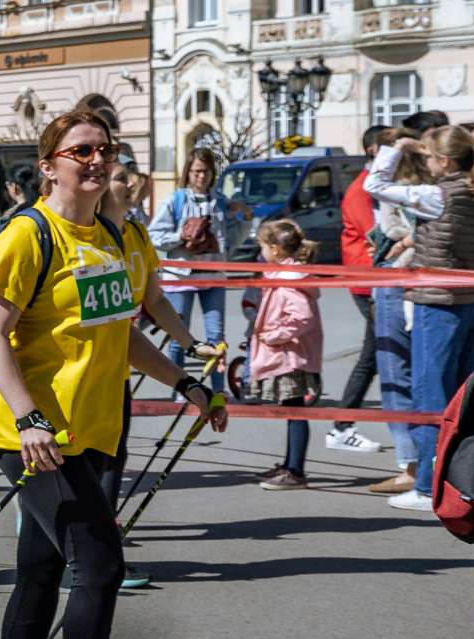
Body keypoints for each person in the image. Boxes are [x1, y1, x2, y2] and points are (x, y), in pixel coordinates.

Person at [0, 109, 226, 639]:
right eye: (80, 150)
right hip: (32, 435)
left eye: (103, 149)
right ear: (49, 163)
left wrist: (184, 380)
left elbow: (122, 331)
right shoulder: (29, 235)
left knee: (42, 566)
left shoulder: (110, 237)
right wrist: (28, 419)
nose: (95, 158)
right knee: (101, 566)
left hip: (92, 432)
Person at [99, 158, 216, 590]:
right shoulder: (88, 237)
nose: (132, 185)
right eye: (121, 178)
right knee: (94, 470)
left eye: (133, 178)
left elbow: (155, 302)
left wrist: (190, 345)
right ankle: (89, 561)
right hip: (78, 377)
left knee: (112, 466)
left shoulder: (135, 234)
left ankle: (96, 558)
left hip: (115, 370)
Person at [365, 125, 474, 512]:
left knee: (430, 396)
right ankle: (463, 482)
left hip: (439, 304)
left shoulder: (436, 196)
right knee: (468, 398)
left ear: (445, 161)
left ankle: (425, 485)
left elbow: (376, 184)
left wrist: (397, 148)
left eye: (431, 156)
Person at [324, 127, 391, 454]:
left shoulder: (377, 187)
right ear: (372, 149)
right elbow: (377, 237)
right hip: (368, 282)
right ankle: (341, 426)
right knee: (375, 355)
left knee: (375, 355)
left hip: (378, 281)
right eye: (389, 147)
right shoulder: (362, 190)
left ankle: (342, 424)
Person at [245, 220, 325, 492]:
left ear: (276, 250)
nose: (261, 252)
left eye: (263, 247)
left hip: (291, 356)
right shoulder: (283, 275)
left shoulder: (290, 280)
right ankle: (290, 464)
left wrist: (275, 335)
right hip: (287, 354)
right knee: (291, 411)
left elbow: (303, 316)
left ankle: (296, 470)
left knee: (295, 411)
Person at [147, 147, 229, 393]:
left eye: (205, 171)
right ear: (188, 173)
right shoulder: (176, 200)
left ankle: (217, 391)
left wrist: (243, 219)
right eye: (195, 172)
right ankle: (182, 390)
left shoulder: (221, 202)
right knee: (178, 336)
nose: (200, 177)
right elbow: (154, 236)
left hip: (213, 276)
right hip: (180, 277)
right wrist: (181, 237)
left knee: (216, 336)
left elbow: (232, 239)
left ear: (212, 173)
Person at [366, 127, 421, 496]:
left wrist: (403, 240)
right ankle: (419, 465)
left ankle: (412, 467)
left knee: (396, 371)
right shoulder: (436, 186)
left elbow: (376, 185)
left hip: (400, 276)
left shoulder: (410, 191)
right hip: (416, 278)